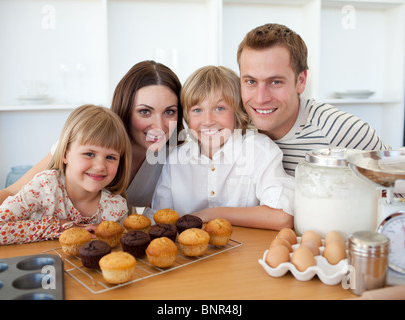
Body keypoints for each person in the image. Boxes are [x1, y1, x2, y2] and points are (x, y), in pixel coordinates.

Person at [0, 61, 184, 233]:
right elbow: (12, 192)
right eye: (145, 112)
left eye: (169, 112)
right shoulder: (92, 141)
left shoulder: (178, 152)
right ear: (125, 109)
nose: (159, 126)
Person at [149, 66, 295, 230]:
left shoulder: (259, 150)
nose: (208, 120)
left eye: (219, 108)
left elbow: (283, 217)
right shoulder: (175, 160)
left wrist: (211, 214)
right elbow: (158, 219)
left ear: (237, 111)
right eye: (197, 110)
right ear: (187, 117)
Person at [237, 23, 390, 176]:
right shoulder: (233, 126)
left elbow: (403, 192)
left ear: (301, 81)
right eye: (251, 81)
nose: (260, 98)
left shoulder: (341, 131)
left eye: (275, 82)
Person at [0, 105, 131, 245]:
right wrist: (60, 227)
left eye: (111, 157)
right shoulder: (44, 187)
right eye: (89, 154)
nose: (100, 166)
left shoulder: (116, 207)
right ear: (65, 154)